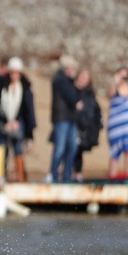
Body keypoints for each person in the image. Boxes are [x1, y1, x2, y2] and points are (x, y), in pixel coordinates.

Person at [0, 57, 36, 182]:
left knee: (18, 149)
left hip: (18, 123)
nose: (15, 75)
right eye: (12, 72)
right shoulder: (1, 84)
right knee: (1, 148)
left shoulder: (24, 87)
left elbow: (26, 108)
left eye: (17, 72)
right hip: (3, 122)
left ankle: (20, 177)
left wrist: (19, 122)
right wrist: (5, 121)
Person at [48, 54, 82, 182]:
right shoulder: (60, 79)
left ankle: (67, 175)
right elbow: (72, 96)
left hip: (70, 119)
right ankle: (53, 175)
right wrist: (76, 100)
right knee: (60, 148)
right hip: (62, 119)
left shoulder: (67, 81)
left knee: (72, 147)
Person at [107, 66, 128, 178]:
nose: (123, 79)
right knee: (114, 153)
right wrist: (115, 82)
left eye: (125, 77)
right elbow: (109, 95)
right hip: (116, 126)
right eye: (121, 76)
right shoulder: (113, 88)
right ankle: (112, 178)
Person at [73, 68, 102, 182]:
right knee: (70, 150)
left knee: (79, 151)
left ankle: (78, 174)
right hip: (72, 123)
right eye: (82, 76)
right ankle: (67, 173)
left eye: (86, 78)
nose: (83, 79)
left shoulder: (90, 94)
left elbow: (94, 111)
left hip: (84, 126)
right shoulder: (71, 90)